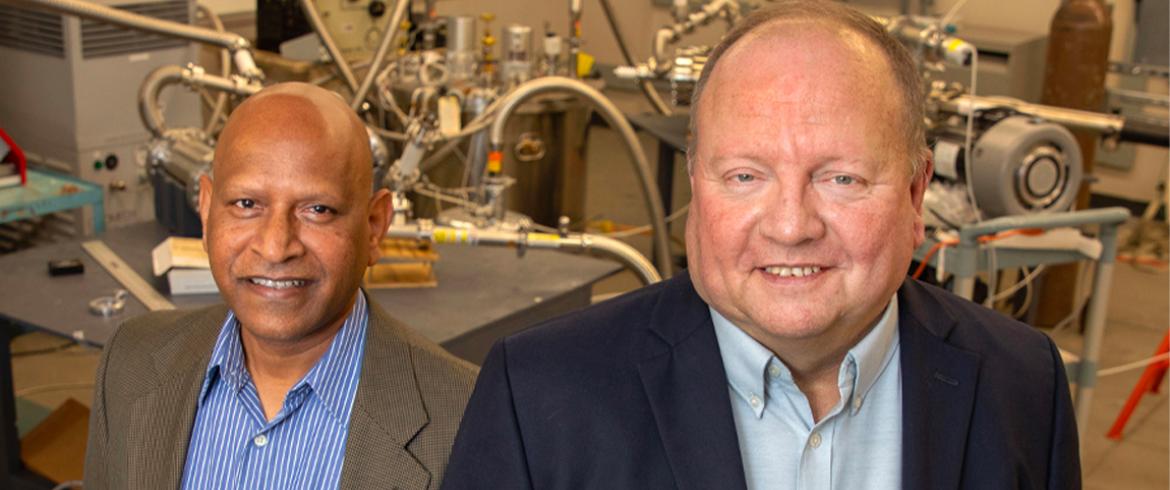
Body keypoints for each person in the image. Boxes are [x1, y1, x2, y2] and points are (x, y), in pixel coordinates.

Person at [441, 2, 1080, 488]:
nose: (791, 225)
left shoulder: (1024, 383)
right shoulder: (539, 395)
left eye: (841, 178)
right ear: (697, 190)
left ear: (916, 197)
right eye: (746, 176)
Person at [84, 83, 477, 489]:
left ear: (375, 226)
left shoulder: (468, 417)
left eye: (317, 210)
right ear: (205, 210)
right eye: (246, 204)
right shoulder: (130, 362)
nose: (275, 247)